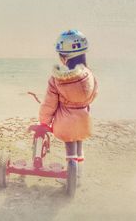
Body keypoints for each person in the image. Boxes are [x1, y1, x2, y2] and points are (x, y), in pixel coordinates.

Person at [39, 29, 98, 182]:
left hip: (66, 122)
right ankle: (79, 175)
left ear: (64, 57)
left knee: (70, 149)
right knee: (79, 145)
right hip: (84, 118)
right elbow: (94, 94)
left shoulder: (57, 80)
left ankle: (70, 178)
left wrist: (44, 121)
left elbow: (49, 104)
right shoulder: (90, 75)